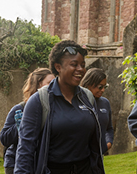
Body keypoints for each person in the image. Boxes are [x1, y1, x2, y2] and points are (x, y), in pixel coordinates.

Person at [14, 40, 105, 174]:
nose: (80, 69)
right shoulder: (39, 100)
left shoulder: (87, 97)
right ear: (58, 67)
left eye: (83, 65)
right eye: (74, 64)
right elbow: (25, 149)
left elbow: (93, 144)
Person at [0, 68, 55, 174]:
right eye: (49, 83)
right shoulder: (19, 109)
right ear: (39, 85)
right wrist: (24, 123)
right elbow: (4, 138)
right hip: (16, 164)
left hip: (39, 163)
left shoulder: (51, 110)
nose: (53, 86)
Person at [80, 68, 114, 154]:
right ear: (88, 84)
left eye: (105, 86)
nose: (103, 90)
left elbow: (109, 128)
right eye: (100, 87)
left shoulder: (105, 103)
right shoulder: (77, 101)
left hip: (99, 156)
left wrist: (108, 143)